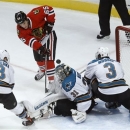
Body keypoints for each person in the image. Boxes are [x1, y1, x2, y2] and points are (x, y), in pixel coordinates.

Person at [22, 63, 97, 126]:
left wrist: (80, 111)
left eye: (61, 74)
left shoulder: (68, 84)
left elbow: (79, 99)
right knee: (55, 98)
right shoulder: (72, 72)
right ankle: (39, 110)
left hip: (85, 105)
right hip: (88, 97)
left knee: (59, 105)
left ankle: (48, 112)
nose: (60, 76)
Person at [15, 5, 57, 90]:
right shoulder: (20, 31)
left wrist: (50, 23)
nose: (23, 26)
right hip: (38, 41)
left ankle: (52, 82)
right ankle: (42, 70)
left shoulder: (35, 13)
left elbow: (50, 9)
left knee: (48, 58)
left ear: (26, 18)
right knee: (38, 59)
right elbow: (31, 41)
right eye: (20, 24)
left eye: (24, 22)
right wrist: (41, 48)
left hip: (48, 35)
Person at [84, 47, 130, 112]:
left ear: (99, 55)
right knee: (119, 83)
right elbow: (122, 75)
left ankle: (89, 102)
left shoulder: (93, 63)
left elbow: (86, 79)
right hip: (124, 92)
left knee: (92, 78)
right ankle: (117, 101)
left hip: (105, 95)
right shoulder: (117, 63)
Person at [0, 50, 33, 125]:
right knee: (14, 107)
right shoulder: (9, 67)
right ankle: (27, 118)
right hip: (5, 91)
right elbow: (11, 84)